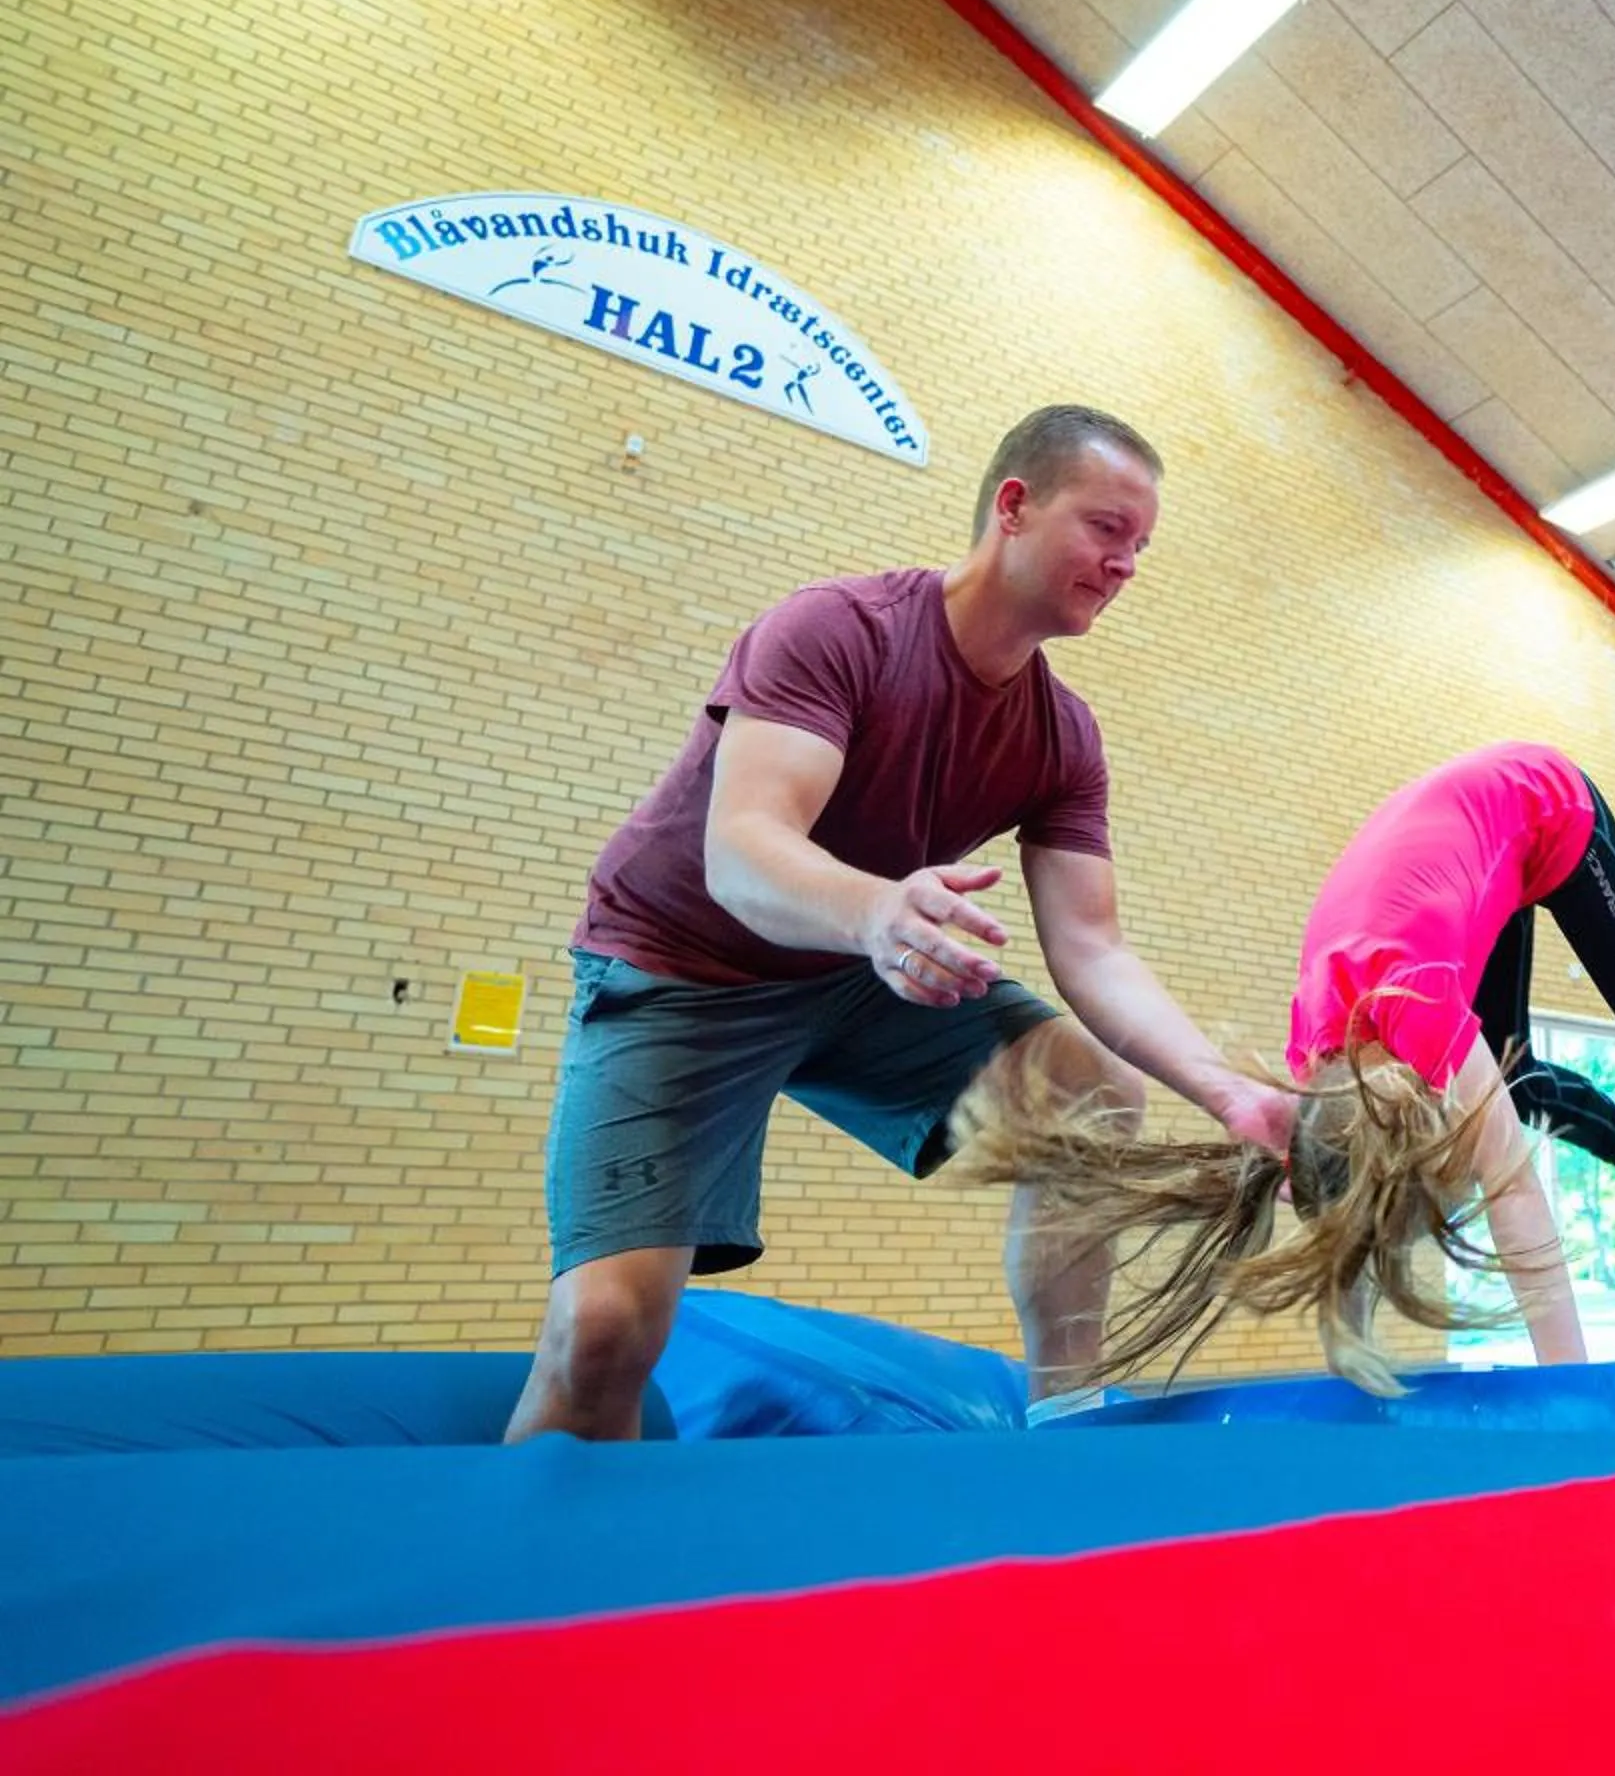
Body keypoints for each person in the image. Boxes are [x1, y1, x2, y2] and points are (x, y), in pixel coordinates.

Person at [504, 404, 1295, 1443]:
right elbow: (743, 849)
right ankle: (533, 1583)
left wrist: (1230, 1091)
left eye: (1140, 544)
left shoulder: (1062, 734)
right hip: (685, 965)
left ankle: (1064, 1421)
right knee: (604, 1331)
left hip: (856, 974)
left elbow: (1093, 947)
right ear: (1014, 506)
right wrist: (880, 908)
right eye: (1107, 528)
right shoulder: (839, 628)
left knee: (1094, 1084)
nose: (1126, 563)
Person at [942, 742, 1615, 1391]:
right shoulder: (1312, 1077)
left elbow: (1516, 1199)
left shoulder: (1426, 1016)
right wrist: (1351, 1357)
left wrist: (1575, 1388)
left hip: (1540, 809)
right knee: (1509, 1088)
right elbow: (1342, 1212)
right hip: (1463, 862)